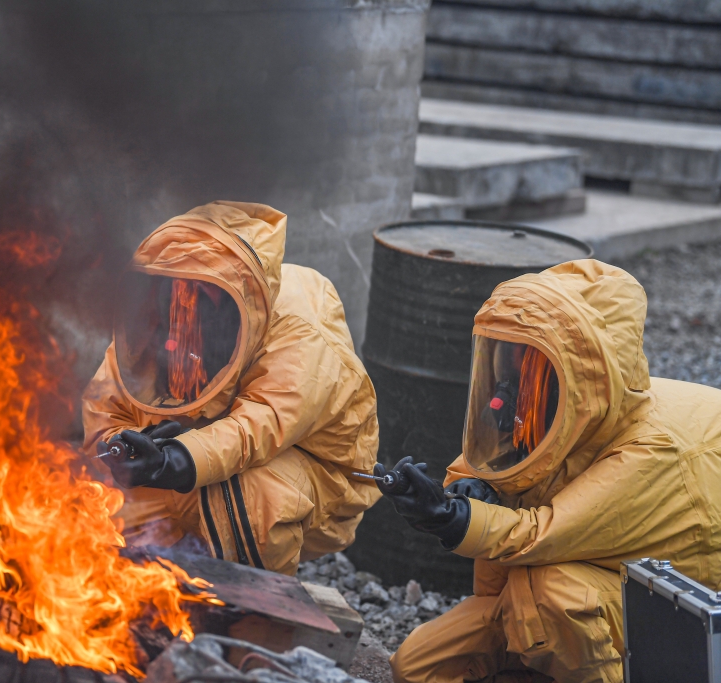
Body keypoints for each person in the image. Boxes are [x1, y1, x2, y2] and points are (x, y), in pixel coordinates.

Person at [378, 260, 721, 683]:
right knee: (417, 666)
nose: (506, 391)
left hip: (680, 603)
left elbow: (544, 534)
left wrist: (452, 520)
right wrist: (465, 488)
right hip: (581, 578)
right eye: (509, 363)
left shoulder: (651, 450)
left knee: (551, 594)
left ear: (584, 380)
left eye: (529, 369)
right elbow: (490, 467)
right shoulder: (568, 418)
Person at [82, 201, 380, 574]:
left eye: (199, 298)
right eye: (176, 296)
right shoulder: (154, 317)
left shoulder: (301, 332)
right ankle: (153, 589)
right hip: (191, 460)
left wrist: (173, 459)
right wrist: (124, 448)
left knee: (251, 496)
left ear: (241, 300)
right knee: (104, 504)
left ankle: (245, 607)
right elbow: (105, 406)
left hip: (311, 480)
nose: (183, 312)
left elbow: (258, 425)